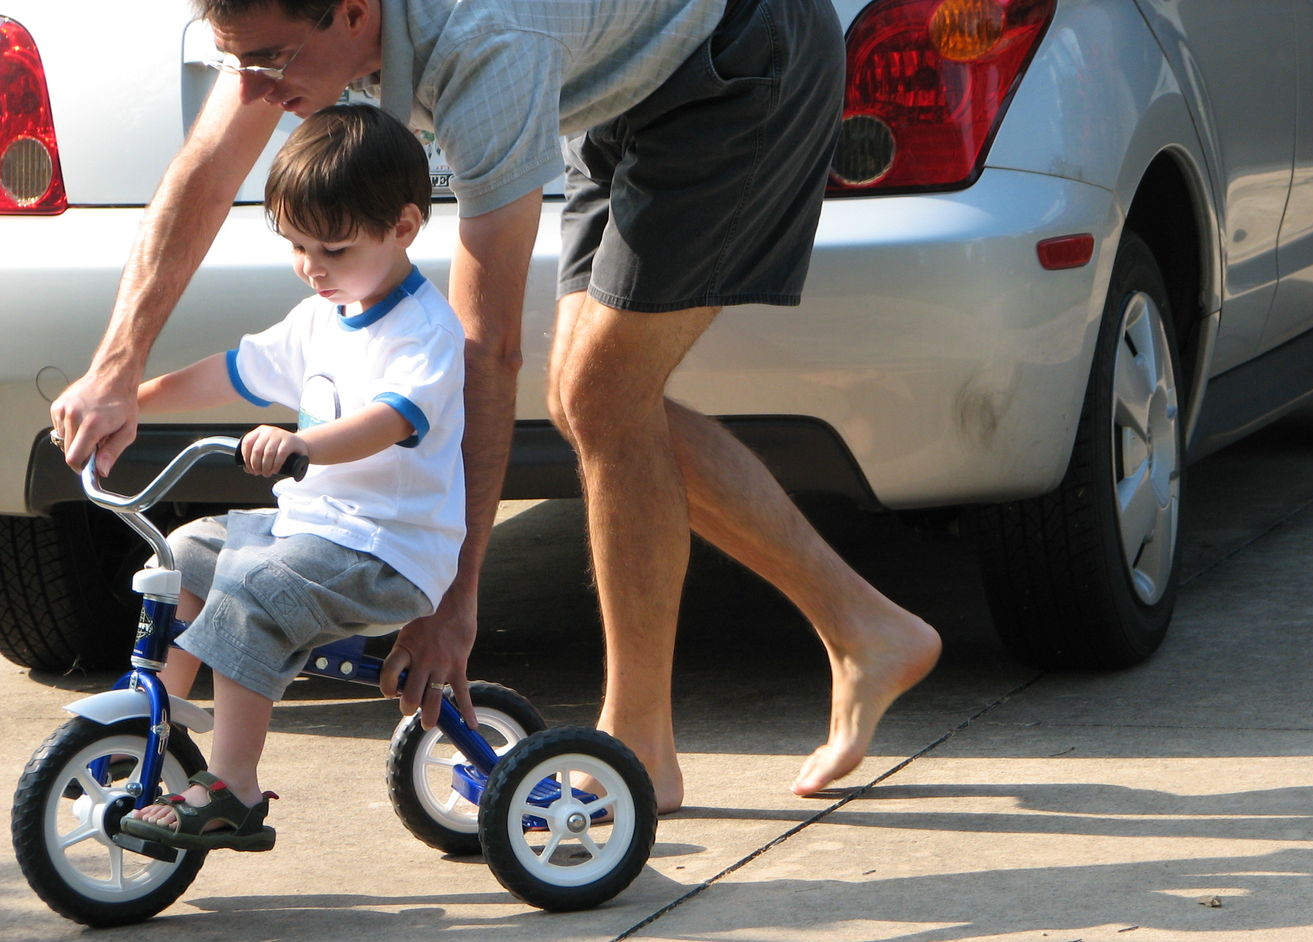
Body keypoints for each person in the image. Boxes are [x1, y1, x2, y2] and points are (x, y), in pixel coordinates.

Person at [51, 0, 941, 817]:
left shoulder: (486, 44)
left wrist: (451, 595)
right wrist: (115, 369)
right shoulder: (281, 38)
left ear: (356, 13)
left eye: (272, 61)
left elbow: (483, 349)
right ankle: (865, 628)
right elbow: (206, 170)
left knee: (600, 392)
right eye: (234, 62)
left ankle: (641, 747)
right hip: (625, 70)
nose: (251, 88)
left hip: (740, 53)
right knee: (588, 401)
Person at [121, 103, 465, 850]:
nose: (313, 267)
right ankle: (158, 719)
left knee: (251, 589)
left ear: (404, 228)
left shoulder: (425, 332)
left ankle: (234, 786)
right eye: (297, 246)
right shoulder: (319, 313)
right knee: (184, 551)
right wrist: (129, 401)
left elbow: (389, 420)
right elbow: (234, 372)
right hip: (313, 529)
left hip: (388, 551)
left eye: (333, 249)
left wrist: (300, 442)